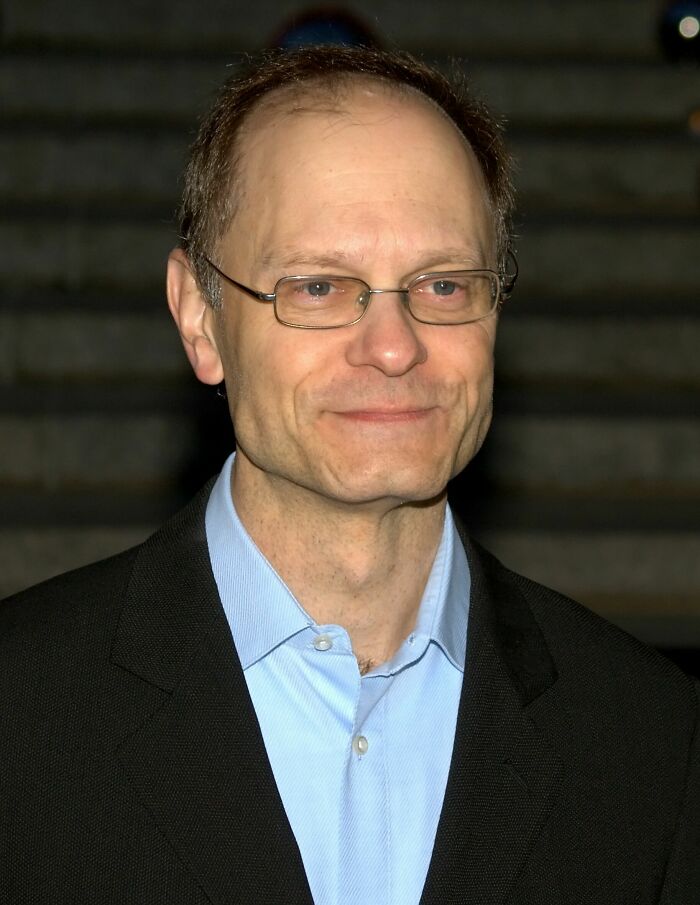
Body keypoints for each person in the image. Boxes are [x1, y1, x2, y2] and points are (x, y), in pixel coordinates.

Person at [1, 45, 698, 905]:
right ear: (199, 318)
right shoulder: (20, 716)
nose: (396, 345)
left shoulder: (652, 741)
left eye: (443, 285)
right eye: (321, 286)